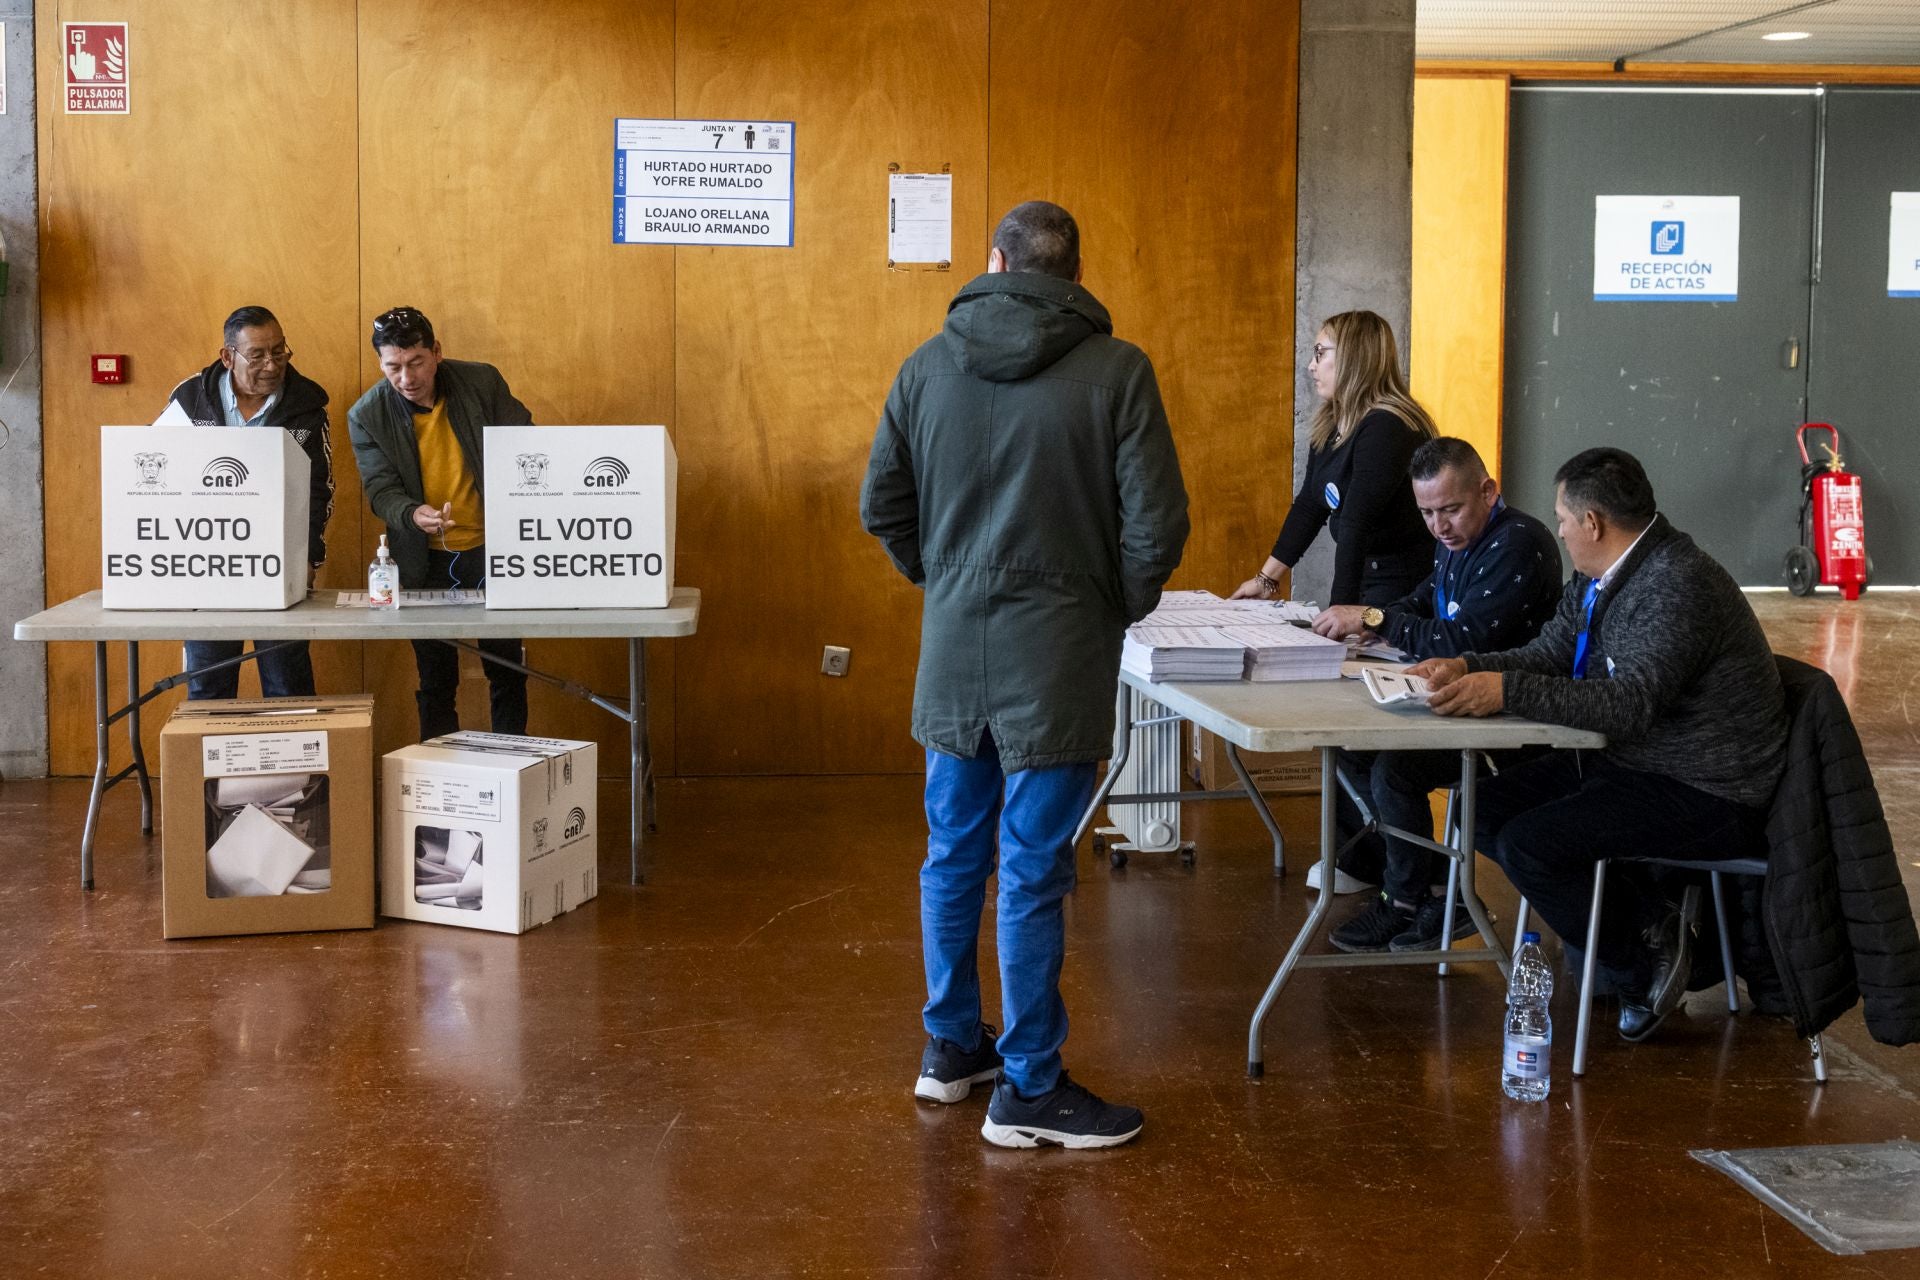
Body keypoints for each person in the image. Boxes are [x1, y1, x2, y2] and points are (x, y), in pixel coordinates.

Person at [860, 201, 1189, 1150]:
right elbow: (1156, 525)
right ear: (1074, 275)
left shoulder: (927, 366)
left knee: (954, 852)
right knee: (1034, 868)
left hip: (954, 650)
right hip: (1059, 653)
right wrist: (1108, 601)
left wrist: (944, 575)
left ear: (996, 262)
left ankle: (952, 1047)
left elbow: (880, 501)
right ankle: (1031, 1089)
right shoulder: (1118, 372)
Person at [1410, 447, 1788, 1042]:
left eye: (1562, 519)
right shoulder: (1602, 577)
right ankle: (1650, 925)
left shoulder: (1675, 583)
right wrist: (1464, 666)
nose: (1556, 530)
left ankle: (1644, 970)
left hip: (1708, 789)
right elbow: (1552, 655)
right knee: (1478, 812)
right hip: (1637, 765)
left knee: (1531, 845)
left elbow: (1629, 705)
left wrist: (1504, 691)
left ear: (1593, 524)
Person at [1305, 437, 1562, 953]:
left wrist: (1376, 617)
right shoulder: (1458, 543)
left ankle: (1405, 900)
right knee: (1355, 750)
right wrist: (1366, 627)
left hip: (1511, 716)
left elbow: (1463, 641)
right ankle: (1438, 889)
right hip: (1457, 706)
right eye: (1426, 513)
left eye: (1450, 509)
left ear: (1488, 492)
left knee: (1394, 769)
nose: (1438, 526)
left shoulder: (1517, 542)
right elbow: (1424, 601)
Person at [347, 306, 532, 741]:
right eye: (393, 367)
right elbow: (381, 489)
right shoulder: (367, 415)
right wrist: (412, 513)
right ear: (380, 363)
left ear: (436, 352)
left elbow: (525, 439)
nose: (406, 378)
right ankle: (439, 774)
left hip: (493, 549)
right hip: (422, 557)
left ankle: (516, 762)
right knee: (435, 679)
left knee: (507, 668)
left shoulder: (481, 382)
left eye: (416, 363)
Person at [166, 306, 333, 700]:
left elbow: (318, 490)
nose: (272, 365)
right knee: (208, 683)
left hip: (278, 565)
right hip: (206, 567)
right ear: (228, 357)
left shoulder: (305, 406)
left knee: (287, 682)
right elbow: (163, 476)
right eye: (257, 355)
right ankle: (209, 762)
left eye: (279, 351)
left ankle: (293, 762)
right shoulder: (190, 397)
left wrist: (306, 558)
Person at [1231, 310, 1435, 607]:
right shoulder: (1332, 421)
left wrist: (1341, 610)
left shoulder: (1387, 426)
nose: (1311, 366)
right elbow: (1310, 506)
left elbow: (1356, 522)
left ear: (1354, 356)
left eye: (1319, 353)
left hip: (1402, 585)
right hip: (1367, 575)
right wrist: (1266, 579)